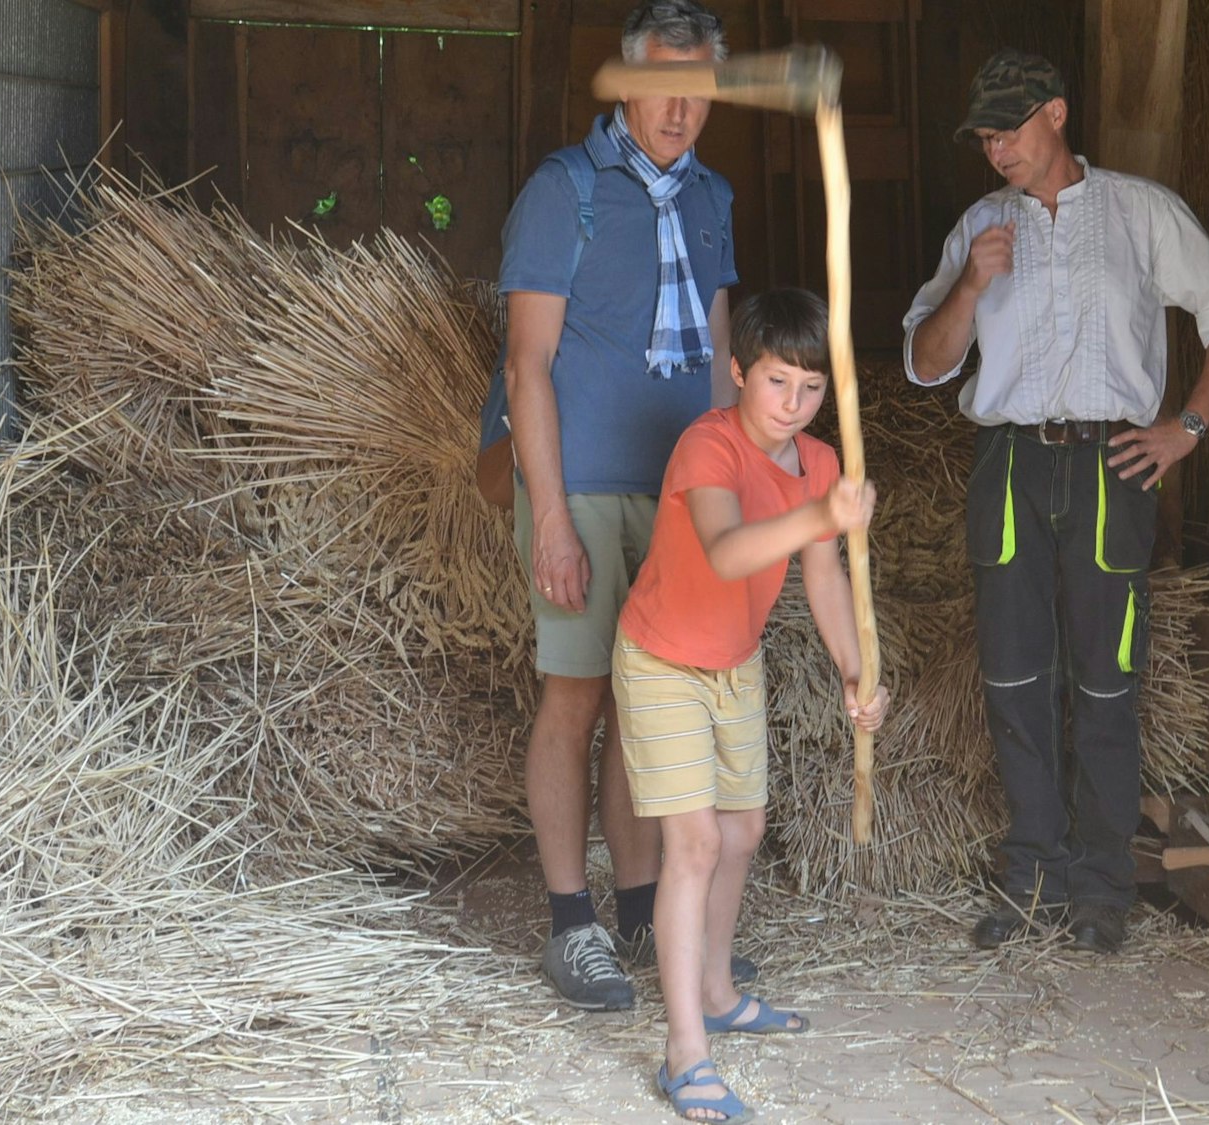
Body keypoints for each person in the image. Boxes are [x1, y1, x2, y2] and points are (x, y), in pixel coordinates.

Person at [902, 48, 1209, 955]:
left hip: (1114, 464)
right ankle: (1031, 877)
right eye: (985, 138)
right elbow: (925, 361)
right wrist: (974, 282)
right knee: (1016, 676)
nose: (997, 151)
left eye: (1010, 131)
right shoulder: (980, 226)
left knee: (1106, 681)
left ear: (1057, 114)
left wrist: (1187, 426)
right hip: (1012, 464)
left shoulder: (1141, 213)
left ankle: (1103, 886)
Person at [496, 0, 754, 1011]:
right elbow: (525, 368)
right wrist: (550, 518)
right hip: (585, 485)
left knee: (656, 700)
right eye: (661, 86)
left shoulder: (712, 197)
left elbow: (723, 366)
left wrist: (730, 496)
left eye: (697, 90)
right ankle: (573, 924)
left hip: (681, 488)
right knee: (578, 696)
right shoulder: (567, 191)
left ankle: (647, 914)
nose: (679, 108)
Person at [612, 287, 888, 1124]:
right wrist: (821, 513)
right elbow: (730, 552)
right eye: (777, 382)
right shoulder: (708, 446)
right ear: (737, 371)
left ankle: (719, 989)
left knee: (742, 831)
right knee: (692, 843)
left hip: (736, 663)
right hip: (662, 659)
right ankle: (686, 1053)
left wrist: (854, 668)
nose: (793, 404)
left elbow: (825, 577)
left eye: (810, 389)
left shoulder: (820, 465)